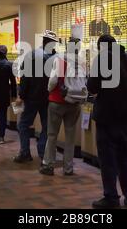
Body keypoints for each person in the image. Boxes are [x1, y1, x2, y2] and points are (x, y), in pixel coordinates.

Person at [87, 34, 127, 209]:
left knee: (108, 160)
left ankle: (111, 197)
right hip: (126, 118)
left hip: (106, 118)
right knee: (126, 157)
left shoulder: (102, 60)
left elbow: (92, 87)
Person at [40, 37, 86, 176]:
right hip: (75, 102)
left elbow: (53, 80)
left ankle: (48, 165)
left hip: (57, 101)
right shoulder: (82, 63)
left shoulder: (61, 59)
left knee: (52, 135)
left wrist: (49, 90)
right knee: (70, 136)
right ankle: (68, 168)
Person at [13, 30, 58, 163]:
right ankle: (43, 152)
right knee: (46, 126)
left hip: (31, 97)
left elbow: (25, 77)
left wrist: (21, 95)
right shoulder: (56, 58)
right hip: (48, 98)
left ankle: (25, 153)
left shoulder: (32, 55)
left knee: (24, 124)